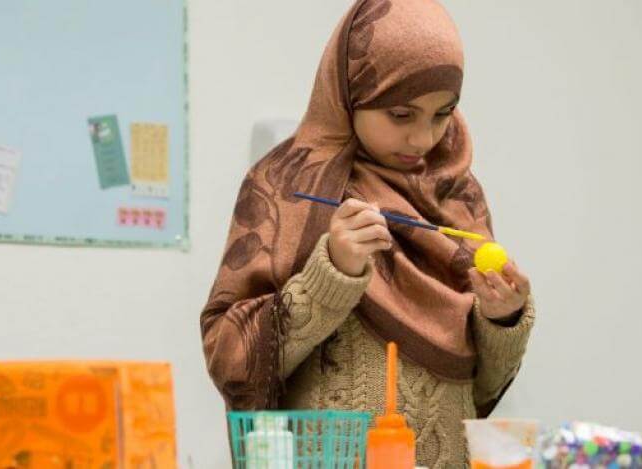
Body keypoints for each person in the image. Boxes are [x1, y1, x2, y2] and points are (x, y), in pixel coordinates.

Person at [201, 0, 534, 466]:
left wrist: (501, 321)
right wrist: (332, 273)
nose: (422, 139)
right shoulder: (286, 184)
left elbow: (481, 388)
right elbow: (229, 356)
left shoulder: (458, 194)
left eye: (443, 114)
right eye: (401, 114)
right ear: (351, 92)